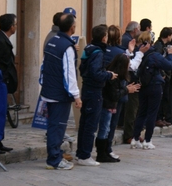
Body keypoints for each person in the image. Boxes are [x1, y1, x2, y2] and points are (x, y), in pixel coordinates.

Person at [40, 14, 82, 170]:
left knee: (53, 126)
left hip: (50, 90)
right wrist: (76, 95)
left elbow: (44, 66)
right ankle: (55, 159)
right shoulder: (67, 46)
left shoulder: (52, 41)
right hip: (60, 93)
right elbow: (69, 73)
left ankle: (54, 157)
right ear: (72, 28)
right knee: (58, 127)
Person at [76, 25, 118, 166]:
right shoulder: (98, 52)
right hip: (94, 91)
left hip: (86, 88)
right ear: (104, 37)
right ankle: (85, 155)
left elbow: (82, 68)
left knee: (84, 123)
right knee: (91, 124)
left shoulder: (88, 48)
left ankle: (80, 153)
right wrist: (109, 75)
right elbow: (96, 73)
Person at [130, 31, 172, 150]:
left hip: (142, 85)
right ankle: (147, 140)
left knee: (141, 112)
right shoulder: (154, 55)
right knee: (152, 113)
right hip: (154, 85)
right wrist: (170, 54)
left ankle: (135, 138)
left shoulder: (136, 53)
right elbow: (169, 65)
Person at [96, 54, 140, 162]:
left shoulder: (117, 76)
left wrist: (126, 89)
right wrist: (126, 90)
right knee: (104, 129)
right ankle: (101, 154)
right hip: (107, 105)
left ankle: (105, 152)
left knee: (107, 129)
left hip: (110, 105)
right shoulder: (113, 77)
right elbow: (113, 94)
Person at [0, 13, 18, 154]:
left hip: (3, 80)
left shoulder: (3, 39)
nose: (16, 27)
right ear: (11, 27)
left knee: (2, 112)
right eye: (15, 24)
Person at [154, 27, 172, 127]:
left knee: (165, 97)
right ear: (168, 35)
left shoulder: (165, 45)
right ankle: (158, 118)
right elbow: (158, 60)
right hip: (161, 75)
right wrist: (162, 74)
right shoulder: (158, 46)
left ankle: (162, 117)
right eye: (171, 35)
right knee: (160, 98)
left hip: (166, 75)